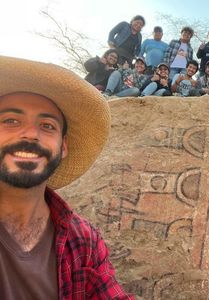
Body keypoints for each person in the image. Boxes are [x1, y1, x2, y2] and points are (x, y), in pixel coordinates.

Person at [0, 55, 133, 299]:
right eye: (11, 120)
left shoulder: (84, 241)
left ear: (63, 146)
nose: (30, 134)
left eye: (48, 126)